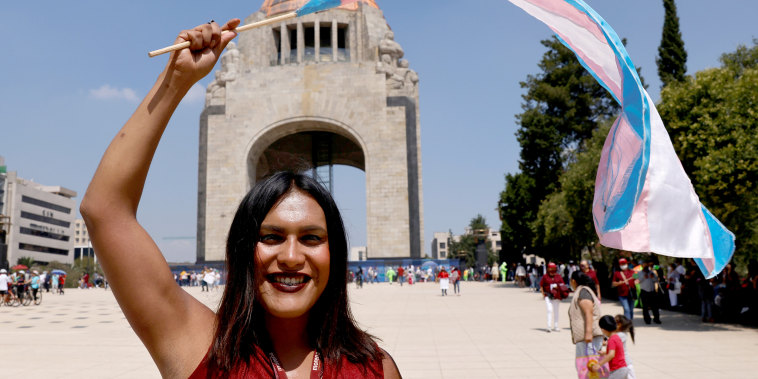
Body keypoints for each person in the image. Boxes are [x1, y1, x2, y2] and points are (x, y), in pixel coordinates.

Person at [79, 20, 400, 379]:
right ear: (243, 248)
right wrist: (175, 82)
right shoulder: (199, 347)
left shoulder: (375, 368)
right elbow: (103, 210)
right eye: (271, 237)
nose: (291, 257)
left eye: (311, 238)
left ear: (334, 252)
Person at [569, 271, 604, 377]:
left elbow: (589, 313)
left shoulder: (583, 292)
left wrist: (588, 333)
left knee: (588, 368)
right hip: (585, 337)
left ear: (573, 281)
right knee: (584, 367)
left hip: (588, 337)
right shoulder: (583, 291)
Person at [540, 263, 565, 332]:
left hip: (557, 296)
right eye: (550, 268)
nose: (552, 270)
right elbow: (541, 285)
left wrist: (559, 288)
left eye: (553, 269)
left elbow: (563, 285)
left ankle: (556, 326)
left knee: (556, 311)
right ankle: (549, 326)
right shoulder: (545, 277)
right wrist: (543, 295)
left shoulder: (558, 276)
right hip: (548, 295)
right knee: (549, 310)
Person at [638, 259, 661, 324]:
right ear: (642, 266)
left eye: (647, 265)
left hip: (652, 291)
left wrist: (653, 277)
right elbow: (637, 281)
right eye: (644, 265)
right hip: (644, 291)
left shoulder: (652, 272)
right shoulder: (639, 273)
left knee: (655, 306)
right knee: (645, 307)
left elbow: (656, 280)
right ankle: (647, 320)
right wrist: (643, 277)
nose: (646, 266)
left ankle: (656, 319)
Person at [614, 315, 637, 379]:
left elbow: (613, 348)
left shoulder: (621, 335)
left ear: (619, 325)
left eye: (614, 323)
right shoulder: (618, 334)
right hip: (621, 364)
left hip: (626, 364)